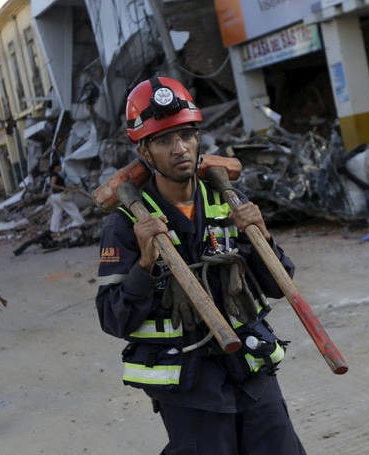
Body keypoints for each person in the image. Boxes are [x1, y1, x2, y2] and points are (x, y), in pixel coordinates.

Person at [95, 77, 307, 454]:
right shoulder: (126, 224)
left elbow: (278, 285)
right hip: (189, 384)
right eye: (163, 140)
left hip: (248, 364)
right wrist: (144, 264)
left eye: (187, 135)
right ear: (144, 150)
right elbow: (114, 319)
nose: (179, 149)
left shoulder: (229, 200)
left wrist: (263, 238)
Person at [48, 160, 85, 233]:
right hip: (60, 195)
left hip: (54, 196)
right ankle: (79, 222)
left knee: (57, 212)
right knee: (72, 208)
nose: (61, 167)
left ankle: (53, 229)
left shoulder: (55, 174)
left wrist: (71, 189)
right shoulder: (55, 174)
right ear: (56, 166)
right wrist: (63, 188)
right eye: (60, 165)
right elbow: (52, 185)